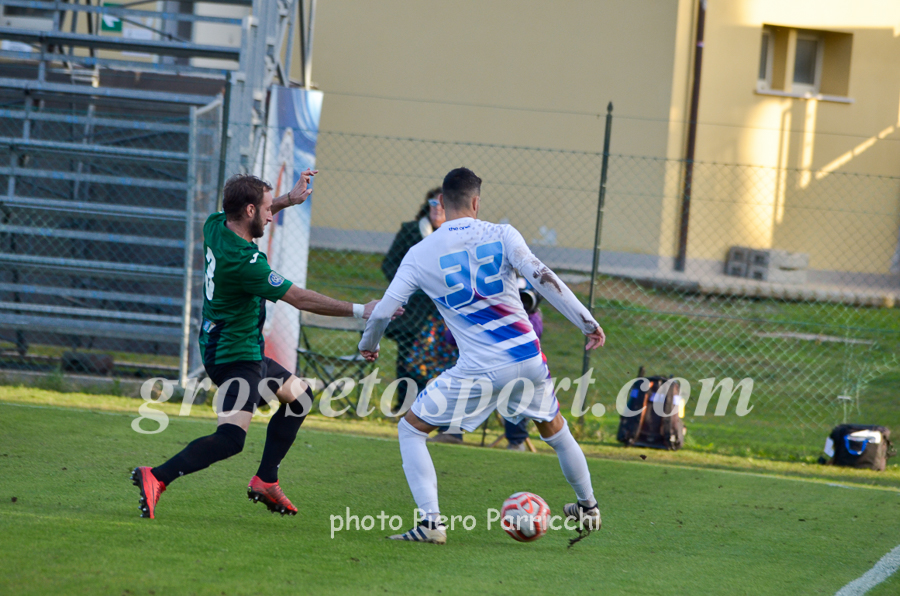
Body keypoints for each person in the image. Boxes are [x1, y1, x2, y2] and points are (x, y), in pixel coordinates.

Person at [359, 167, 606, 545]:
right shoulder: (502, 234)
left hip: (481, 367)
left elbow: (382, 312)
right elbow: (543, 278)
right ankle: (588, 506)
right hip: (529, 358)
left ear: (441, 202)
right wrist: (586, 322)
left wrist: (370, 343)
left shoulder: (420, 253)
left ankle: (431, 523)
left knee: (411, 429)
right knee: (556, 431)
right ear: (476, 202)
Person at [131, 171, 394, 519]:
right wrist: (362, 310)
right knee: (230, 439)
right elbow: (299, 298)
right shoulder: (246, 263)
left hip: (231, 346)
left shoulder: (215, 225)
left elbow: (252, 214)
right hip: (234, 356)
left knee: (300, 395)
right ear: (250, 210)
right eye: (268, 209)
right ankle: (157, 476)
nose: (272, 216)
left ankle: (266, 479)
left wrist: (288, 200)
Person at [381, 188, 446, 399]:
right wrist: (408, 285)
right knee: (406, 360)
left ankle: (432, 406)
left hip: (441, 313)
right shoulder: (410, 231)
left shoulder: (455, 237)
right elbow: (389, 264)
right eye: (433, 204)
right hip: (412, 311)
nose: (437, 209)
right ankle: (403, 404)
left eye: (443, 205)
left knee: (438, 363)